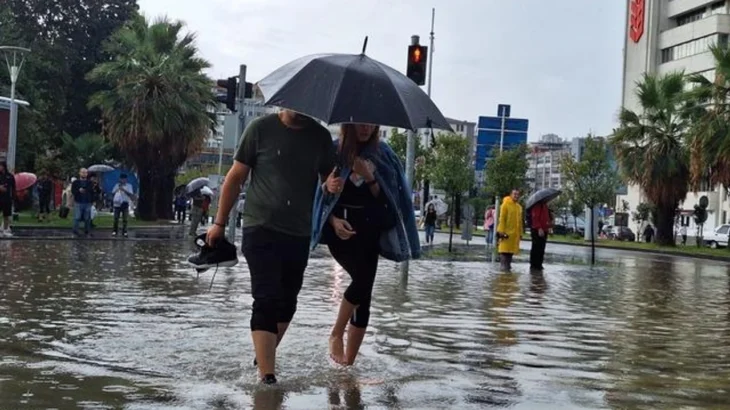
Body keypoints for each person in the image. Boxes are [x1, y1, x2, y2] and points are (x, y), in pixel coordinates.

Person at [205, 109, 342, 385]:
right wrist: (219, 224)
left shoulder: (320, 137)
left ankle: (262, 356)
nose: (300, 110)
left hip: (299, 232)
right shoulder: (259, 129)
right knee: (266, 298)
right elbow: (235, 177)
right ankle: (268, 378)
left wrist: (329, 185)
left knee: (287, 304)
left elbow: (328, 180)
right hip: (260, 227)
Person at [311, 123, 421, 366]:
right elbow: (317, 196)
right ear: (348, 123)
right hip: (340, 232)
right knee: (361, 281)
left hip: (370, 233)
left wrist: (370, 176)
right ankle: (336, 332)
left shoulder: (384, 154)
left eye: (371, 124)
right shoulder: (332, 152)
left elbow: (388, 201)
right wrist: (331, 212)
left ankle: (347, 365)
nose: (365, 128)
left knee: (364, 295)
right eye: (361, 123)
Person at [496, 189, 523, 272]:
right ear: (511, 194)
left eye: (518, 194)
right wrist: (501, 231)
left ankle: (507, 276)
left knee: (510, 256)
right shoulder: (505, 205)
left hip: (514, 236)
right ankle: (503, 276)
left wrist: (520, 233)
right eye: (514, 194)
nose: (516, 196)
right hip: (505, 234)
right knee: (504, 254)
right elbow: (502, 219)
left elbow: (520, 222)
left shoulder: (519, 207)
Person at [529, 200, 551, 270]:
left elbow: (546, 217)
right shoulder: (537, 205)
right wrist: (539, 228)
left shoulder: (545, 206)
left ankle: (539, 264)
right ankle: (534, 265)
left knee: (541, 248)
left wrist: (548, 227)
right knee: (536, 247)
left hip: (544, 230)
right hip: (537, 230)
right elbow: (535, 217)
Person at [72, 168, 94, 237]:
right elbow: (73, 191)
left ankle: (87, 231)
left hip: (87, 202)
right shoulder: (75, 182)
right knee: (77, 217)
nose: (84, 174)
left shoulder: (90, 183)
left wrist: (92, 201)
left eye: (85, 173)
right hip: (78, 202)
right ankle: (75, 231)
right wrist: (79, 190)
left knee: (87, 218)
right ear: (79, 173)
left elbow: (91, 191)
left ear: (87, 174)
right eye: (82, 172)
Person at [0, 161, 16, 237]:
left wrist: (13, 197)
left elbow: (13, 187)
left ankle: (5, 230)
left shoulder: (10, 176)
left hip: (7, 198)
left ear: (3, 166)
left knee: (6, 214)